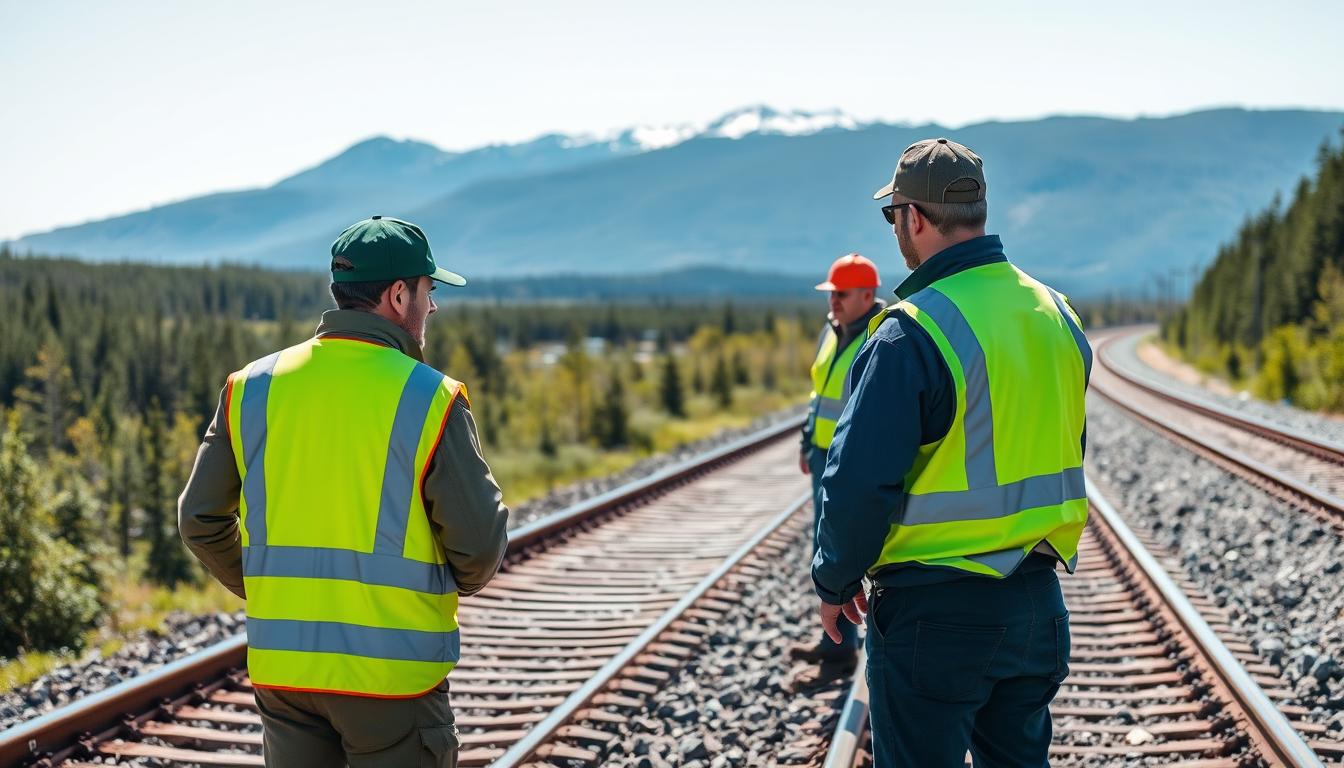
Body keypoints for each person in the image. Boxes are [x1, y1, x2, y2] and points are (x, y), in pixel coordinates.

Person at [178, 215, 510, 768]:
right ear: (398, 294)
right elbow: (478, 550)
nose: (433, 307)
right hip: (392, 679)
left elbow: (198, 521)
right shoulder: (431, 398)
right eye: (428, 291)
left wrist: (272, 591)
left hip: (286, 676)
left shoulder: (251, 387)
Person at [811, 139, 1091, 767]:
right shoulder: (1058, 314)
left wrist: (834, 578)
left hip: (933, 616)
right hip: (1037, 605)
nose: (896, 230)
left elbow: (860, 481)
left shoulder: (912, 329)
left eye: (894, 216)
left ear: (913, 217)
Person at [791, 253, 884, 666]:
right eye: (831, 294)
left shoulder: (880, 337)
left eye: (841, 294)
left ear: (868, 295)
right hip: (823, 454)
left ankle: (842, 646)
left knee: (841, 545)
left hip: (852, 460)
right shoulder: (831, 333)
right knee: (825, 545)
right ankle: (837, 641)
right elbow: (819, 394)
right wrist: (807, 441)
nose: (833, 301)